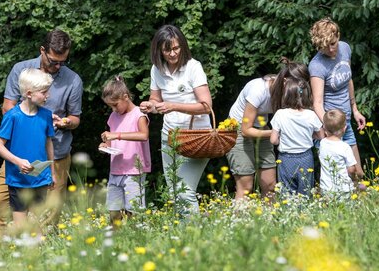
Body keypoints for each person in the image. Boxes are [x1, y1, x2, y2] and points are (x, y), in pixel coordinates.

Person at [0, 29, 83, 231]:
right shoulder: (21, 70)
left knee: (47, 215)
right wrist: (35, 121)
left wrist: (64, 122)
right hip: (18, 155)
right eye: (53, 61)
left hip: (55, 156)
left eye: (62, 62)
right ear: (42, 51)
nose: (57, 66)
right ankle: (2, 250)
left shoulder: (73, 80)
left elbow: (75, 118)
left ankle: (40, 255)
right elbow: (7, 108)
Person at [139, 24, 212, 216]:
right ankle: (186, 232)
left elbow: (206, 106)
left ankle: (195, 236)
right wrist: (151, 106)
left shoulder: (193, 67)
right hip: (170, 136)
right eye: (167, 49)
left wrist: (173, 106)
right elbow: (156, 100)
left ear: (183, 46)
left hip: (197, 137)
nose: (172, 53)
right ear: (159, 50)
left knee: (185, 192)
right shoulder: (157, 69)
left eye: (176, 48)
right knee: (174, 190)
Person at [226, 58, 309, 199]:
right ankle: (239, 220)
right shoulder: (258, 90)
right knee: (246, 187)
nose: (298, 92)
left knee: (270, 185)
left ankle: (269, 220)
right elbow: (246, 130)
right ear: (284, 81)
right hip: (239, 129)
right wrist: (276, 132)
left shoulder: (290, 90)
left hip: (262, 127)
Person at [0, 68, 56, 230]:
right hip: (18, 180)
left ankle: (40, 254)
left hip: (41, 178)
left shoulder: (46, 115)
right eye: (44, 92)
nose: (47, 96)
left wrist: (52, 172)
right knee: (21, 228)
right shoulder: (12, 116)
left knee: (37, 228)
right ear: (29, 93)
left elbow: (48, 143)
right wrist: (18, 161)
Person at [309, 17, 365, 178]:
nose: (331, 49)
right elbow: (317, 103)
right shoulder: (317, 65)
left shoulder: (345, 49)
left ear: (338, 36)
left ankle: (361, 202)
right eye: (325, 47)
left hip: (345, 122)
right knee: (338, 175)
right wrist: (328, 128)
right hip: (330, 127)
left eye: (333, 44)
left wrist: (355, 110)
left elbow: (348, 79)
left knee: (357, 172)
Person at [99, 75, 151, 226]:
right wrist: (105, 145)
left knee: (133, 210)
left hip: (134, 170)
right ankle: (115, 241)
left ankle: (136, 238)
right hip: (115, 170)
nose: (114, 109)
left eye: (115, 105)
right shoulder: (113, 116)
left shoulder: (139, 115)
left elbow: (144, 135)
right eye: (111, 106)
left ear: (125, 97)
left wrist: (117, 135)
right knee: (114, 210)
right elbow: (110, 138)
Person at [270, 77, 324, 196]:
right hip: (306, 157)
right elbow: (321, 136)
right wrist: (309, 135)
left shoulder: (280, 114)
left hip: (285, 158)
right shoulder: (311, 115)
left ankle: (289, 213)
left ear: (286, 95)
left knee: (287, 192)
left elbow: (273, 140)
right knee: (305, 190)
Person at [318, 109, 358, 197]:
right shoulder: (345, 147)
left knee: (330, 210)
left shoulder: (322, 143)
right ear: (345, 128)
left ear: (324, 127)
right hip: (343, 189)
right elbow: (351, 169)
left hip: (326, 188)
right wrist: (354, 179)